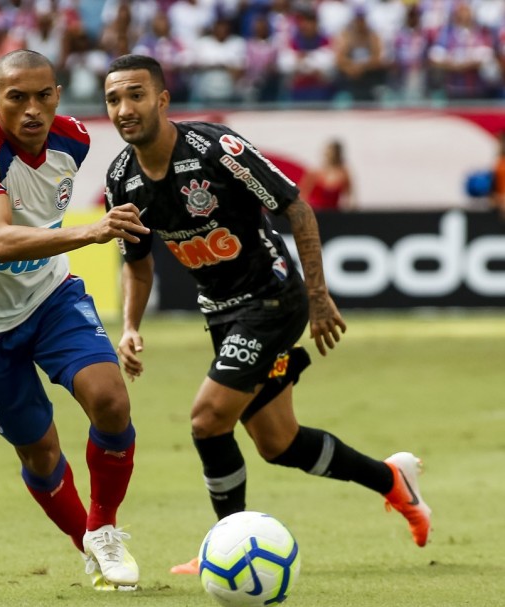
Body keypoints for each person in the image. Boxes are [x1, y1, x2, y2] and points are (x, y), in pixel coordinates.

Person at [101, 54, 431, 576]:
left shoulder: (217, 149)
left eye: (136, 94)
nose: (124, 108)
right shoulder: (121, 179)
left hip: (272, 299)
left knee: (208, 420)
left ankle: (225, 545)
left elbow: (296, 207)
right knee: (279, 443)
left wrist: (319, 297)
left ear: (162, 100)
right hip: (222, 315)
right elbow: (137, 265)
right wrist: (130, 327)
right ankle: (393, 481)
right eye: (114, 98)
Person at [0, 49, 147, 591]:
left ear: (58, 94)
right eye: (17, 97)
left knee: (111, 401)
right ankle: (87, 548)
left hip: (49, 297)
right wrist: (90, 231)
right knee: (40, 448)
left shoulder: (74, 139)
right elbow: (1, 241)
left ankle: (104, 529)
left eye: (43, 95)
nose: (32, 109)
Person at [300, 138, 354, 211]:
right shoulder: (316, 172)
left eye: (333, 152)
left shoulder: (343, 173)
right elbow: (303, 194)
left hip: (334, 212)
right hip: (316, 212)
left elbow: (349, 195)